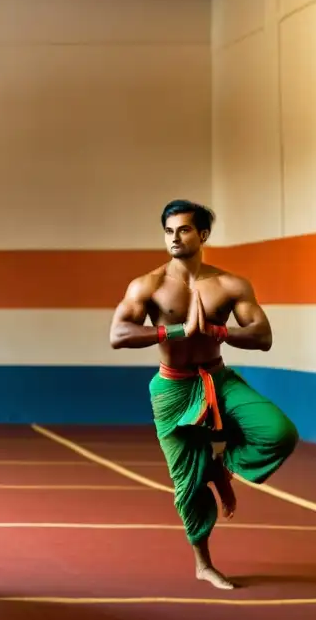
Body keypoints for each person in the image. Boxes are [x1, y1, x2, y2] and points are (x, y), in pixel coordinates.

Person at [109, 199, 298, 589]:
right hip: (172, 386)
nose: (174, 238)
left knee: (279, 432)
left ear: (203, 235)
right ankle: (204, 564)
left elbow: (262, 337)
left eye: (183, 230)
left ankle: (221, 464)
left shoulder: (230, 284)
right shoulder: (149, 284)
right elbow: (119, 335)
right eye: (168, 231)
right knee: (187, 487)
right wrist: (174, 332)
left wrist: (217, 332)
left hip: (219, 378)